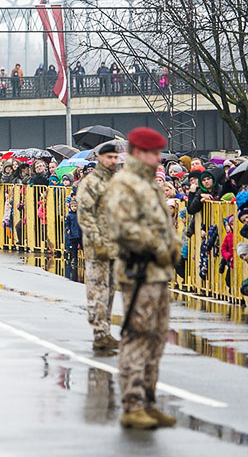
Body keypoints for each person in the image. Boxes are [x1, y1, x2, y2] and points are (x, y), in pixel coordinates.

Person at [104, 127, 181, 430]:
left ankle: (148, 400)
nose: (158, 159)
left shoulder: (149, 184)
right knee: (137, 336)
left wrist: (172, 248)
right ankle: (133, 403)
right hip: (139, 271)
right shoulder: (125, 184)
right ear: (138, 153)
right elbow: (123, 227)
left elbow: (164, 223)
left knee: (157, 337)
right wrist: (158, 247)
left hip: (158, 272)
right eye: (153, 153)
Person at [75, 141, 120, 354]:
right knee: (97, 290)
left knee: (110, 291)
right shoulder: (91, 182)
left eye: (115, 157)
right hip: (97, 245)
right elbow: (84, 214)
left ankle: (106, 330)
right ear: (100, 158)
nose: (113, 161)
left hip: (115, 244)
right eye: (109, 157)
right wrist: (96, 239)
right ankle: (99, 333)